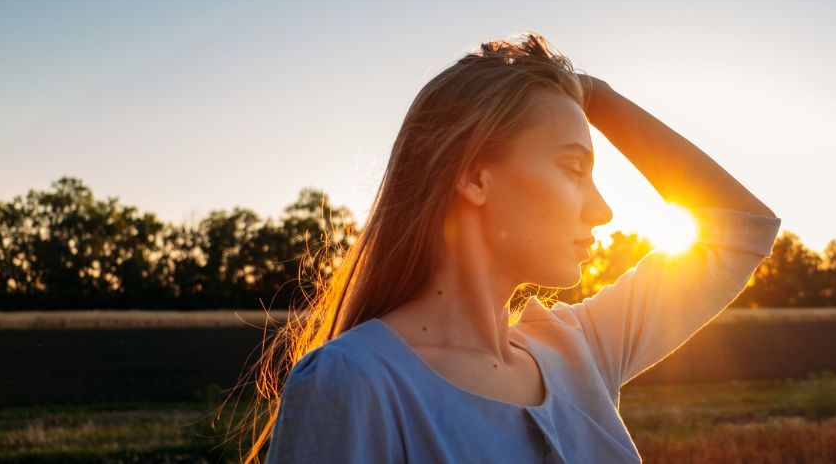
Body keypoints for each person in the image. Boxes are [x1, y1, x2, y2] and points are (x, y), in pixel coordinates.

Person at [245, 32, 781, 463]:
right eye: (573, 168)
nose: (602, 210)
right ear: (474, 177)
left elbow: (743, 230)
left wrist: (597, 97)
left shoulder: (579, 351)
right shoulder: (353, 382)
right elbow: (742, 230)